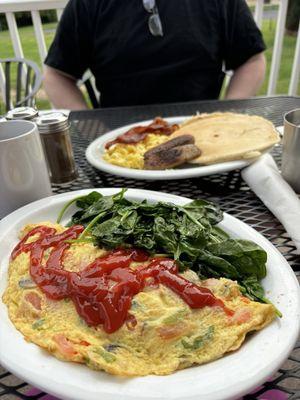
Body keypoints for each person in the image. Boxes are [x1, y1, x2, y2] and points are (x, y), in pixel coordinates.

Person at [44, 0, 266, 110]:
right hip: (118, 140)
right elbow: (57, 75)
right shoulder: (88, 3)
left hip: (203, 131)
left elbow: (252, 60)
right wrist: (88, 125)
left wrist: (228, 113)